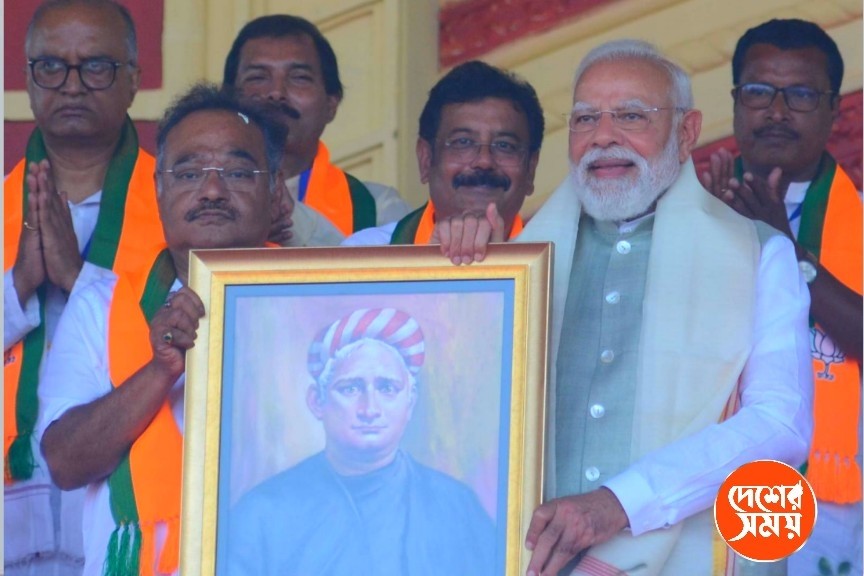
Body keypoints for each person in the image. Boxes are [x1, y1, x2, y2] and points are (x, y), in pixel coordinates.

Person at [508, 40, 813, 575]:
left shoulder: (758, 253)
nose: (603, 137)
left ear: (686, 132)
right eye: (585, 119)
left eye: (631, 116)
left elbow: (781, 422)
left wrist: (621, 503)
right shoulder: (520, 261)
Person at [35, 84, 285, 576]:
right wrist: (160, 370)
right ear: (158, 188)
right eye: (189, 173)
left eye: (237, 173)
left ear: (275, 190)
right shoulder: (100, 303)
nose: (211, 192)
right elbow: (64, 462)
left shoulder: (317, 298)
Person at [4, 1, 163, 574]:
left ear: (133, 80)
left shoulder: (179, 203)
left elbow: (190, 345)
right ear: (28, 80)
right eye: (51, 66)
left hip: (127, 508)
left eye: (95, 66)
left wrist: (78, 279)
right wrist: (20, 282)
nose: (71, 85)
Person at [700, 19, 862, 576]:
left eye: (800, 95)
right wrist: (702, 238)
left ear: (833, 108)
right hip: (709, 482)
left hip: (836, 499)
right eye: (759, 92)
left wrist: (787, 250)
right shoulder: (689, 213)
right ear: (736, 101)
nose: (776, 111)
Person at [228, 307, 495, 576]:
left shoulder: (457, 507)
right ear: (317, 401)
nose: (370, 409)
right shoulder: (262, 514)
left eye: (387, 388)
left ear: (410, 402)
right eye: (351, 388)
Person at [222, 14, 411, 247]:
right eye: (257, 77)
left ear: (331, 104)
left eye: (299, 78)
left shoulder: (377, 207)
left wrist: (294, 220)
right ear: (226, 99)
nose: (276, 92)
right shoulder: (190, 195)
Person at [343, 60, 543, 265]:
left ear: (530, 170)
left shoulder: (555, 267)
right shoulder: (364, 257)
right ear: (426, 159)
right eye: (463, 142)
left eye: (504, 145)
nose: (484, 161)